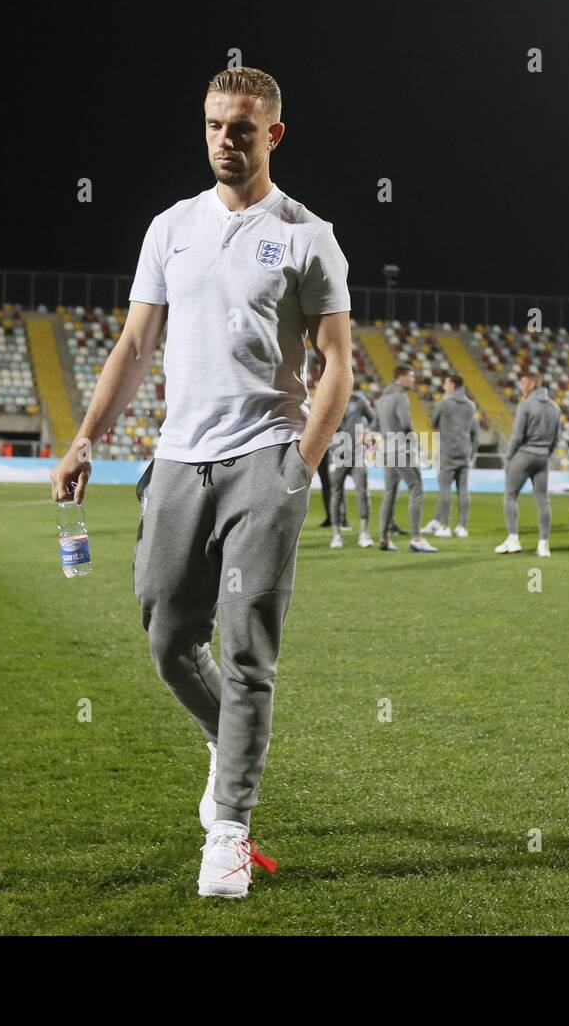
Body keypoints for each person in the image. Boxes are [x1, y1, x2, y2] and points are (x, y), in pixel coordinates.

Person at [50, 67, 352, 898]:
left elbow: (336, 368)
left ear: (273, 136)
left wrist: (300, 469)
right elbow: (133, 346)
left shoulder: (306, 235)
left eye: (243, 128)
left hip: (266, 459)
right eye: (217, 124)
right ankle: (231, 742)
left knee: (247, 647)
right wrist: (84, 441)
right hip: (178, 460)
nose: (227, 138)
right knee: (165, 634)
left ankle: (229, 830)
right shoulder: (170, 228)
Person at [495, 372, 561, 556]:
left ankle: (513, 539)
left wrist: (509, 458)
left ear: (532, 384)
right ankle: (543, 544)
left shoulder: (526, 405)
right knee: (543, 499)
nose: (520, 387)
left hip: (524, 454)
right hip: (542, 457)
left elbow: (517, 436)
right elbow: (557, 438)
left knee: (510, 496)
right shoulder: (555, 408)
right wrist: (546, 453)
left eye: (523, 383)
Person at [376, 366, 437, 553]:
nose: (413, 380)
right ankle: (417, 539)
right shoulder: (400, 396)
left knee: (390, 494)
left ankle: (384, 538)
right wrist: (415, 442)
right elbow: (405, 423)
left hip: (386, 450)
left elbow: (378, 424)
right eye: (411, 377)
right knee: (416, 489)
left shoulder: (382, 399)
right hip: (402, 449)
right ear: (400, 377)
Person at [422, 373, 480, 538]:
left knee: (445, 489)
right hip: (465, 453)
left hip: (448, 452)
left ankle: (445, 526)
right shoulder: (471, 405)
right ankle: (463, 527)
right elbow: (474, 432)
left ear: (453, 385)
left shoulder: (445, 403)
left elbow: (433, 423)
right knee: (463, 490)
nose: (444, 385)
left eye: (446, 383)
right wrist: (471, 454)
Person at [327, 387, 376, 549]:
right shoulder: (330, 398)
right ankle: (337, 535)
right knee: (336, 493)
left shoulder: (359, 400)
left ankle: (364, 533)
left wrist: (367, 431)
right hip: (337, 454)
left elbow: (374, 418)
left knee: (363, 492)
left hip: (357, 455)